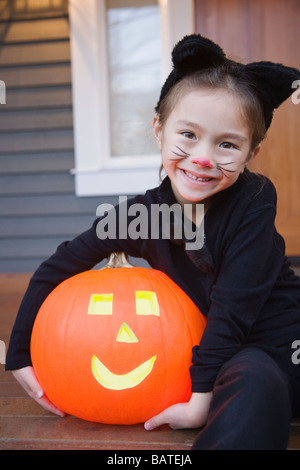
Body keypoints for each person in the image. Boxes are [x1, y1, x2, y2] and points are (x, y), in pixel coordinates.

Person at [5, 34, 300, 450]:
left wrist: (199, 403)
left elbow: (233, 307)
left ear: (250, 154)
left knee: (252, 380)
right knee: (238, 377)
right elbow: (60, 265)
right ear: (159, 130)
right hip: (215, 354)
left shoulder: (253, 201)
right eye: (189, 135)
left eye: (227, 144)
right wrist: (19, 354)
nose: (203, 158)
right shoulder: (142, 216)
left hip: (274, 343)